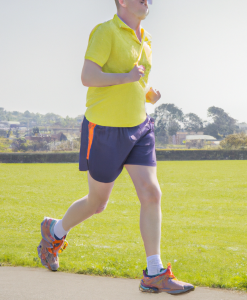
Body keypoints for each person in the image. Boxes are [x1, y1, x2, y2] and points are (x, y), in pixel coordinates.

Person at [37, 0, 194, 295]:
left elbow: (138, 82)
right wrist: (127, 77)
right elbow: (88, 76)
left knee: (151, 192)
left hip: (140, 128)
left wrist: (149, 94)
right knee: (97, 204)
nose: (147, 1)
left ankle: (154, 272)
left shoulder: (145, 40)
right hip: (105, 129)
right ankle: (54, 231)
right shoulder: (105, 31)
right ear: (122, 0)